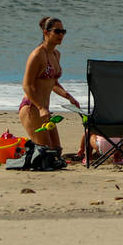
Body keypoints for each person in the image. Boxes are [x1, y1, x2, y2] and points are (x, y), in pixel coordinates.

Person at [19, 16, 80, 153]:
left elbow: (53, 82)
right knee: (47, 152)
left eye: (63, 31)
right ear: (46, 33)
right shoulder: (37, 55)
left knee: (57, 151)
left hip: (44, 111)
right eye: (57, 31)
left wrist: (68, 97)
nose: (61, 35)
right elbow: (27, 85)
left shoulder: (56, 54)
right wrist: (40, 107)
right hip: (32, 108)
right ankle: (20, 151)